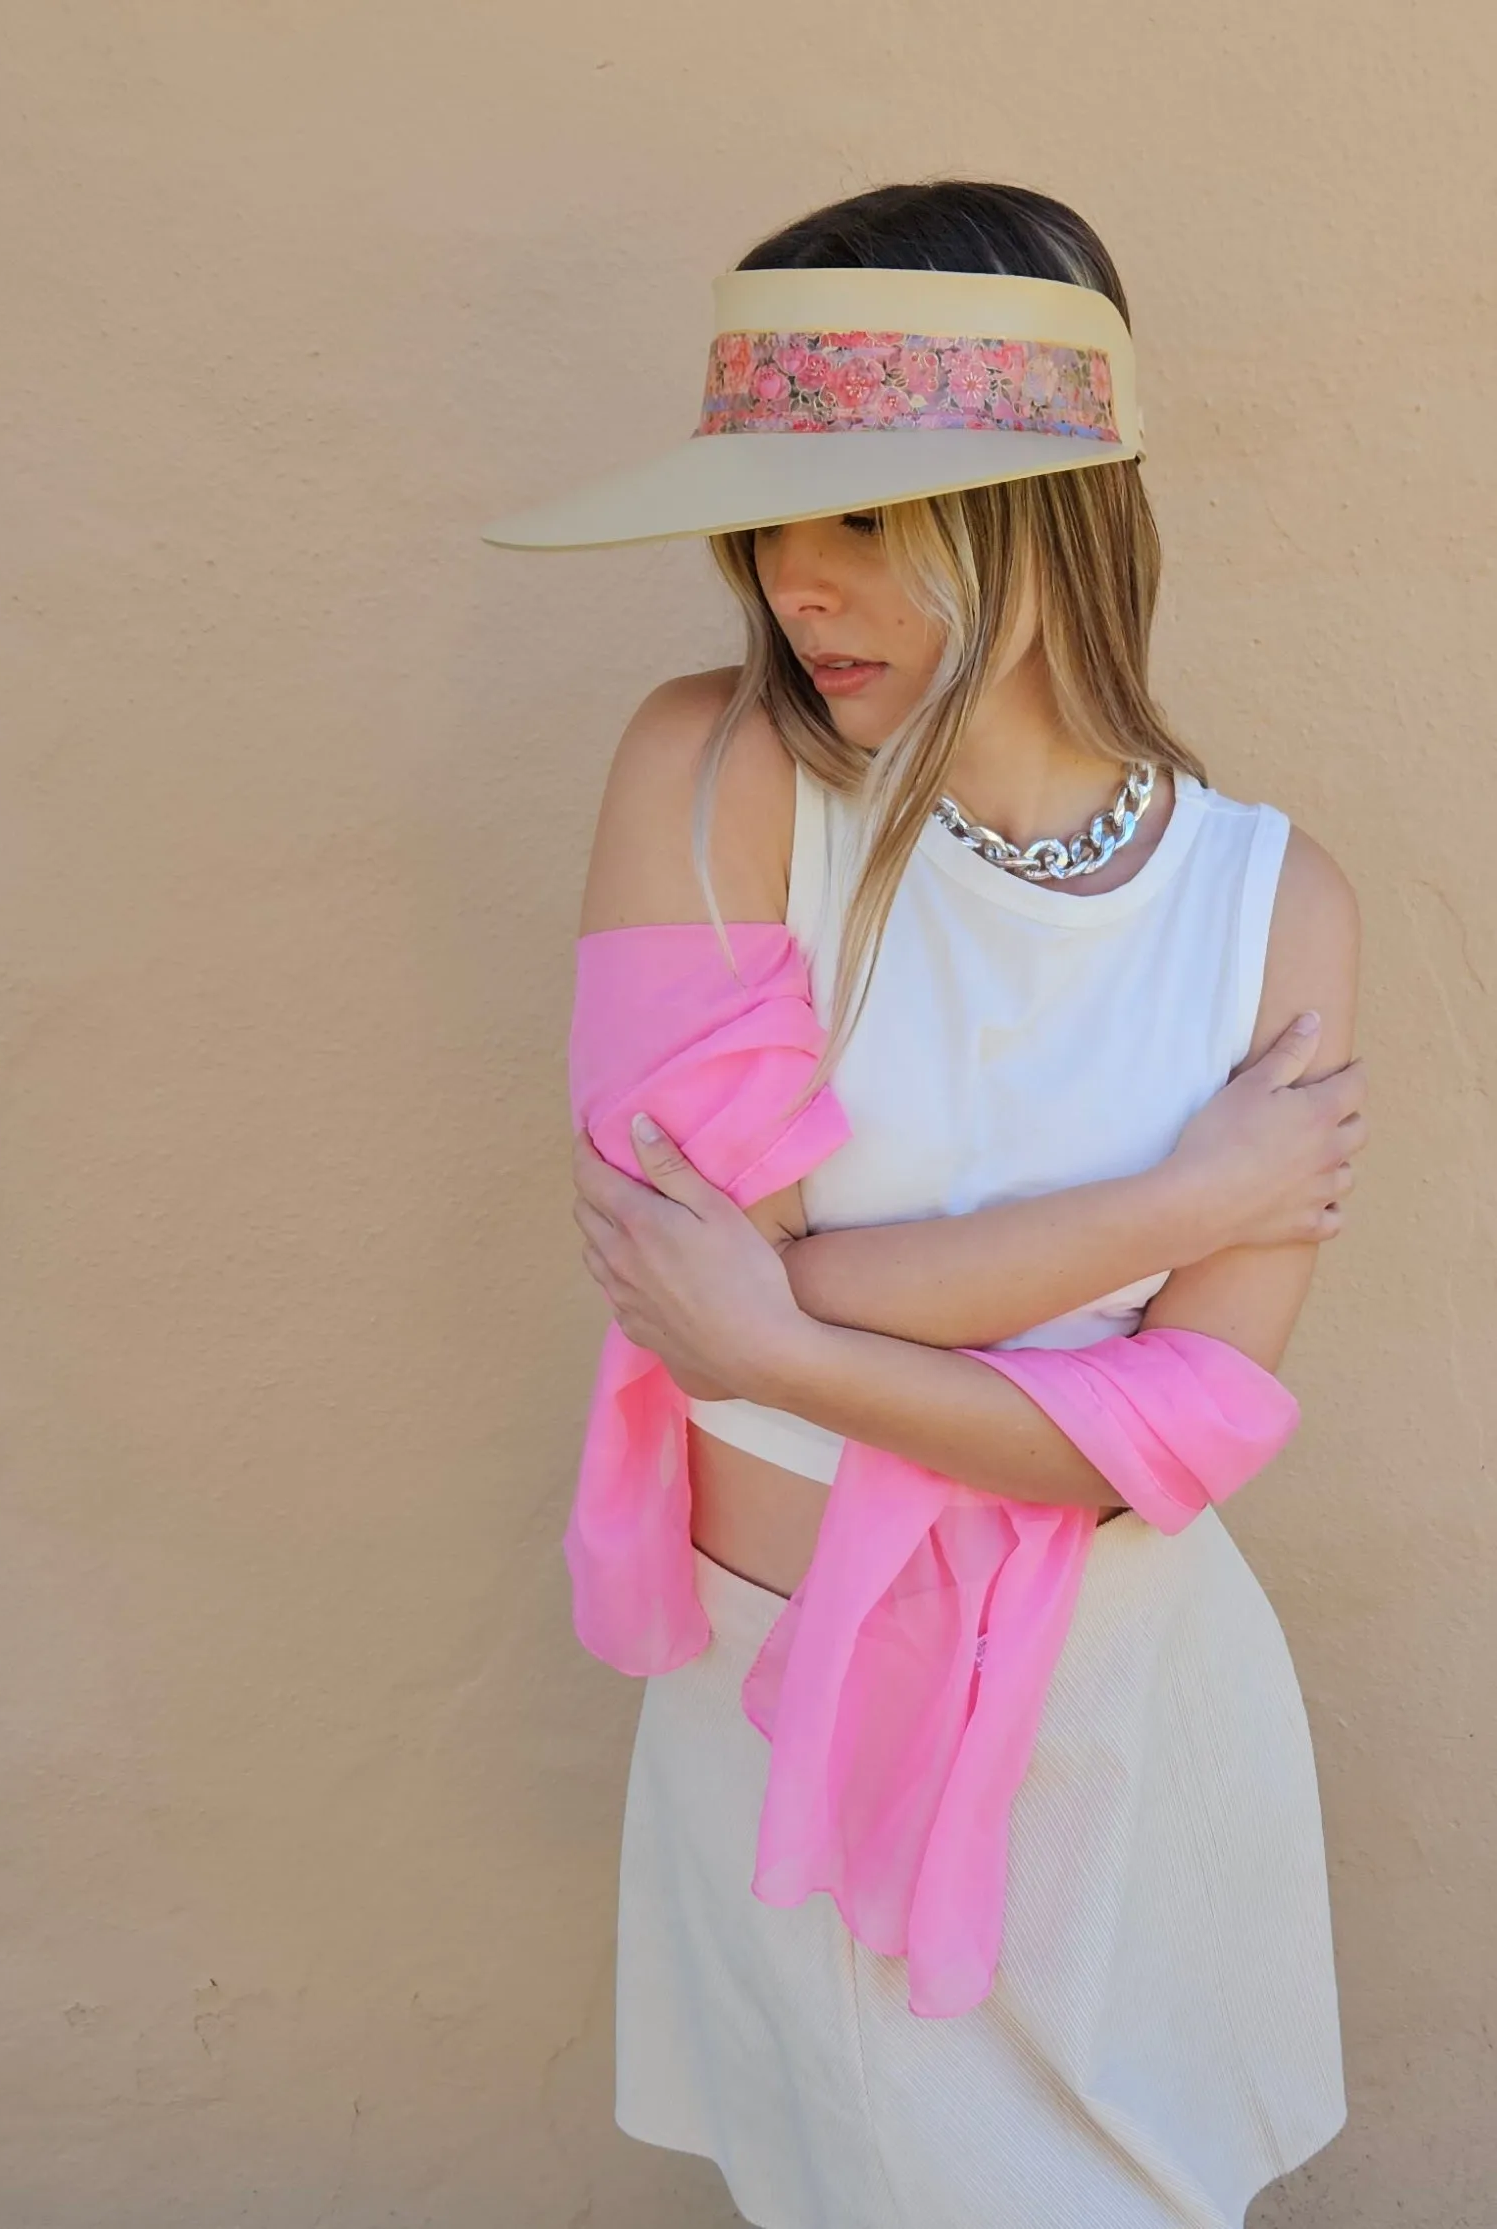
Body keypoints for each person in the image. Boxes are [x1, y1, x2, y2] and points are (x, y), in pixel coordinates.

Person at [483, 179, 1366, 2229]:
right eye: (767, 523)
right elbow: (695, 1275)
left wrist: (794, 1334)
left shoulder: (1267, 905)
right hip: (809, 1714)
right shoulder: (713, 775)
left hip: (1136, 1726)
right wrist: (1178, 1195)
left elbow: (1182, 1440)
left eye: (870, 515)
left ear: (1047, 500)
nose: (801, 582)